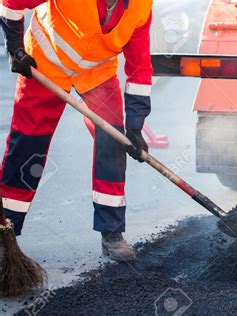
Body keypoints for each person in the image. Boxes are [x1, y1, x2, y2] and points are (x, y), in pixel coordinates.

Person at [0, 0, 153, 262]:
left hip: (96, 74)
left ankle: (111, 232)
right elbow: (10, 2)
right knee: (27, 146)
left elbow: (139, 68)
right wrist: (14, 47)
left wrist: (135, 127)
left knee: (113, 143)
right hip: (44, 63)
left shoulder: (141, 7)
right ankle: (5, 230)